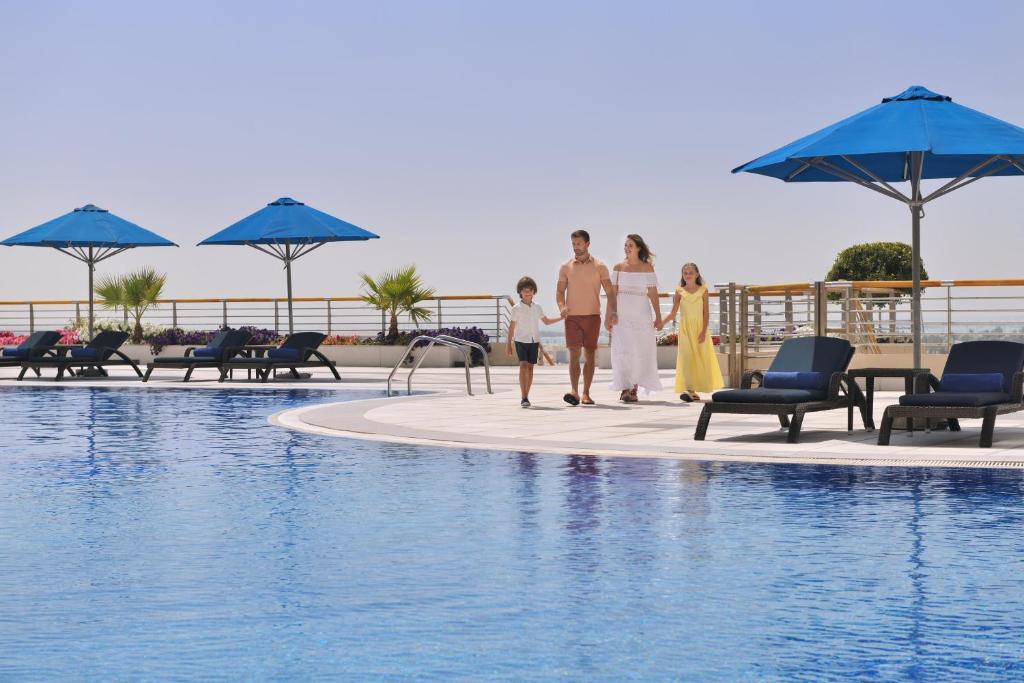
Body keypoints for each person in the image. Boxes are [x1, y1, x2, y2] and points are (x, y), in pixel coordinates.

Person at [556, 229, 616, 406]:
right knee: (574, 353)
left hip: (592, 316)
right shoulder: (565, 267)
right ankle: (574, 391)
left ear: (587, 244)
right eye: (573, 244)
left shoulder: (600, 266)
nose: (576, 247)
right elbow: (560, 292)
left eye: (579, 244)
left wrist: (612, 312)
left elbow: (610, 292)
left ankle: (586, 393)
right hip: (572, 317)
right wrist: (562, 306)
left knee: (589, 354)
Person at [609, 234, 663, 402]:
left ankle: (634, 389)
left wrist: (659, 316)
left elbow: (653, 293)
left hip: (642, 314)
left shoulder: (647, 267)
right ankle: (625, 388)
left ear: (638, 247)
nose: (627, 248)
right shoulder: (618, 267)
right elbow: (612, 293)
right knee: (623, 349)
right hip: (622, 315)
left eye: (630, 245)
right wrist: (609, 315)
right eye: (625, 245)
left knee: (639, 349)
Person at [663, 262, 723, 401]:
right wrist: (660, 323)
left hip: (700, 329)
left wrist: (703, 331)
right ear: (682, 275)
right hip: (685, 329)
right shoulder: (679, 291)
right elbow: (673, 313)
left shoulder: (703, 290)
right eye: (685, 273)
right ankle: (690, 389)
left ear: (697, 274)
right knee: (686, 357)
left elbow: (706, 313)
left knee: (700, 358)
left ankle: (700, 387)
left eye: (690, 273)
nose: (688, 275)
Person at [506, 276, 564, 407]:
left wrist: (561, 317)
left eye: (530, 290)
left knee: (530, 368)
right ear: (520, 292)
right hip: (520, 340)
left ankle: (527, 395)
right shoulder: (516, 308)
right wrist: (508, 344)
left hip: (534, 341)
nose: (527, 292)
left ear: (534, 292)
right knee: (523, 366)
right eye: (524, 290)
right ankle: (523, 396)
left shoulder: (538, 307)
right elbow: (511, 327)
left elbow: (546, 321)